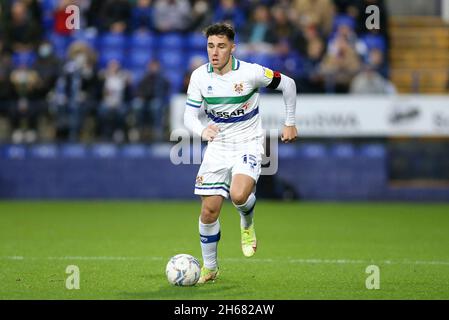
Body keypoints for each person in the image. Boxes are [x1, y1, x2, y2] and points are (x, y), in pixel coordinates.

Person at [183, 23, 298, 284]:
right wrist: (202, 131)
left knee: (238, 195)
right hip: (218, 146)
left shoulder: (251, 72)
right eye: (210, 45)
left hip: (248, 142)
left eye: (221, 46)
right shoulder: (200, 77)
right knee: (209, 211)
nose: (215, 52)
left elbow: (288, 84)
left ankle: (247, 222)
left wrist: (289, 122)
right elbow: (189, 115)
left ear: (232, 48)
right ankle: (210, 268)